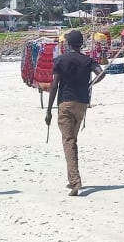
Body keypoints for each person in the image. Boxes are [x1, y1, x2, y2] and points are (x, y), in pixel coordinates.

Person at [45, 29, 104, 196]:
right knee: (72, 140)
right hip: (82, 104)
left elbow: (54, 85)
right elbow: (102, 73)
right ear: (81, 44)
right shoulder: (88, 60)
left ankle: (76, 181)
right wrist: (90, 84)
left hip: (66, 103)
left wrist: (49, 110)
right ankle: (71, 179)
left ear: (68, 44)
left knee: (68, 141)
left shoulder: (60, 60)